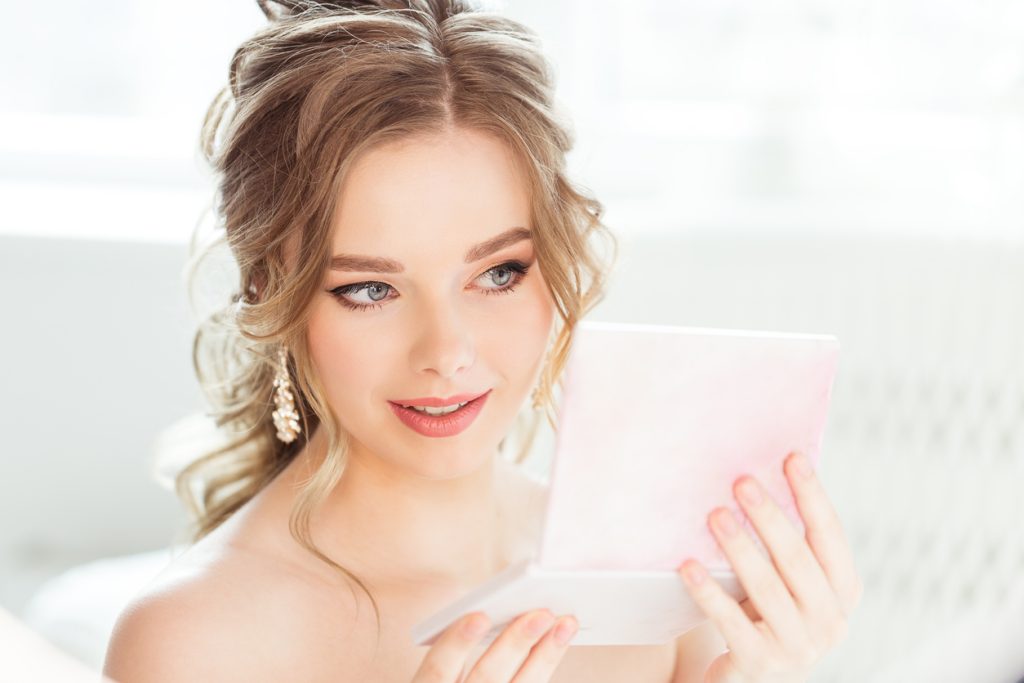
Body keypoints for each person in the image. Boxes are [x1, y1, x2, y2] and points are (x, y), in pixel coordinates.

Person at [102, 2, 862, 681]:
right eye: (370, 288)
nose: (448, 351)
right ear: (273, 294)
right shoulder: (192, 644)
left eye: (498, 273)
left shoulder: (658, 581)